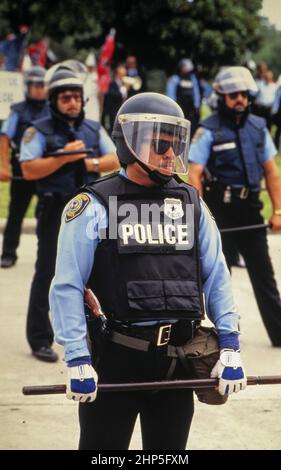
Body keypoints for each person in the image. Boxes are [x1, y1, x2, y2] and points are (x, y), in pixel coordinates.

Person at [49, 92, 246, 450]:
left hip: (177, 362)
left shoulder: (191, 202)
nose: (171, 154)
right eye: (159, 144)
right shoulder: (93, 205)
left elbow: (217, 275)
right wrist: (77, 357)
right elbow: (67, 286)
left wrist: (231, 345)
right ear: (130, 144)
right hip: (115, 363)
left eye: (175, 144)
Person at [19, 67, 118, 363]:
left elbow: (113, 158)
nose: (72, 102)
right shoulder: (38, 129)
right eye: (65, 97)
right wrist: (64, 155)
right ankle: (39, 338)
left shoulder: (92, 127)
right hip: (54, 208)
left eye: (76, 97)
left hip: (89, 211)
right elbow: (28, 168)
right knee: (48, 272)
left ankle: (98, 332)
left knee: (97, 272)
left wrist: (88, 162)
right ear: (54, 100)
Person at [188, 66, 281, 347]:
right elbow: (194, 174)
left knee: (264, 277)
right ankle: (217, 337)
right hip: (220, 213)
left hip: (251, 209)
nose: (238, 99)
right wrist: (199, 214)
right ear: (222, 96)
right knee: (217, 279)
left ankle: (279, 333)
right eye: (232, 95)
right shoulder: (208, 130)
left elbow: (271, 172)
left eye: (242, 94)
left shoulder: (258, 127)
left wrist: (278, 211)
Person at [0, 66, 49, 268]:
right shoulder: (18, 110)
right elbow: (4, 138)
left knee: (47, 215)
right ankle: (8, 253)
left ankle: (47, 255)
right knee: (16, 212)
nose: (38, 90)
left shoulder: (52, 108)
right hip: (21, 170)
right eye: (34, 86)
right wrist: (3, 166)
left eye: (41, 86)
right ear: (27, 87)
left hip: (47, 170)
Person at [166, 58, 201, 137]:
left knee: (192, 126)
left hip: (191, 108)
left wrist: (197, 105)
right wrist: (173, 107)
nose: (188, 71)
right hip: (180, 106)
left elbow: (196, 92)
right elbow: (171, 94)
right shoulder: (175, 79)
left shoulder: (192, 78)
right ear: (181, 68)